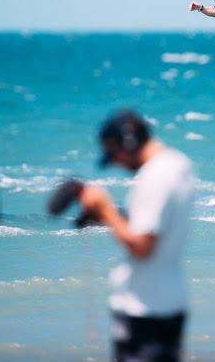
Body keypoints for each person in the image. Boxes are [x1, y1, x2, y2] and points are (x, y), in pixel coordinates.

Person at [77, 110, 196, 362]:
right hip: (170, 302)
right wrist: (112, 218)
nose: (117, 162)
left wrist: (105, 208)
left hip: (144, 309)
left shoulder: (155, 176)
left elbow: (142, 246)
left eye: (114, 153)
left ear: (128, 143)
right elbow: (155, 229)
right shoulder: (180, 164)